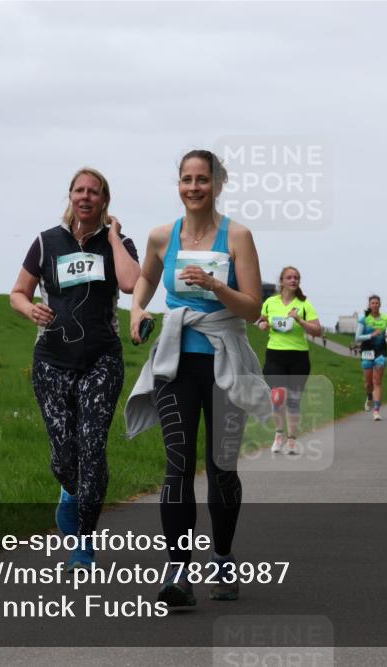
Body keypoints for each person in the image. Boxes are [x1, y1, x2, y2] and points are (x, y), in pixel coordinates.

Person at [125, 150, 268, 607]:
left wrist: (215, 286)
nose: (193, 187)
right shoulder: (161, 236)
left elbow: (252, 307)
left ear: (218, 184)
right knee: (178, 466)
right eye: (186, 179)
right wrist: (137, 310)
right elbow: (145, 279)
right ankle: (179, 572)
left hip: (224, 361)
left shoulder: (238, 237)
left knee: (222, 469)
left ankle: (223, 558)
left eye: (202, 179)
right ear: (179, 184)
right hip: (176, 364)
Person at [9, 167, 140, 571]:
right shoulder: (47, 242)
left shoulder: (119, 243)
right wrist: (30, 308)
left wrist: (114, 237)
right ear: (70, 196)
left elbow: (132, 283)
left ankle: (83, 542)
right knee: (63, 457)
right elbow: (17, 292)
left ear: (104, 201)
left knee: (92, 448)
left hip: (102, 359)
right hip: (51, 361)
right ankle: (70, 493)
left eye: (94, 192)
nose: (86, 197)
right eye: (79, 190)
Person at [256, 266, 322, 455]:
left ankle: (292, 439)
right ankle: (279, 434)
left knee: (293, 400)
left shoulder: (304, 304)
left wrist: (299, 320)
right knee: (278, 397)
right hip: (275, 354)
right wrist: (262, 324)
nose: (294, 280)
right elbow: (261, 320)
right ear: (282, 281)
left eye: (297, 278)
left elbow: (317, 331)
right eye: (290, 277)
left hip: (298, 356)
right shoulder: (270, 301)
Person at [355, 295, 387, 421]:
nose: (375, 305)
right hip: (367, 352)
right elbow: (357, 337)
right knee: (368, 383)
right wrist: (371, 335)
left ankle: (377, 410)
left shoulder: (386, 318)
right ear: (369, 305)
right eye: (372, 303)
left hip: (381, 352)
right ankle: (369, 397)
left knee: (377, 381)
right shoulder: (364, 320)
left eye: (377, 303)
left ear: (380, 305)